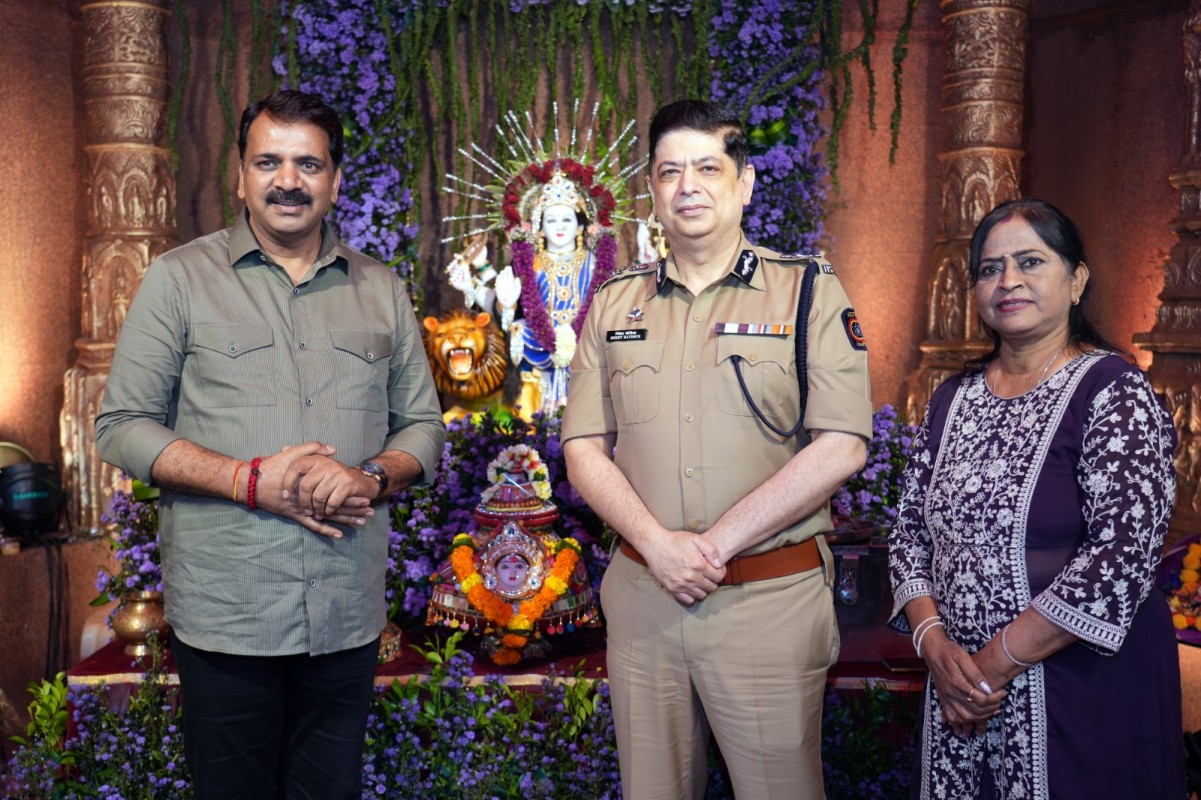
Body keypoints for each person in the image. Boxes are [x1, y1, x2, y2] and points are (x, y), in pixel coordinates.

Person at [95, 89, 446, 799]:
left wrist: (372, 475)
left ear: (335, 180)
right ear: (240, 177)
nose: (288, 180)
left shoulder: (380, 288)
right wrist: (247, 481)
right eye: (269, 162)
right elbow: (121, 424)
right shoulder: (179, 279)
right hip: (229, 614)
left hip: (344, 614)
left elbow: (423, 427)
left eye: (308, 164)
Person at [562, 99, 872, 798]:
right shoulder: (613, 301)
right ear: (651, 189)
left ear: (745, 182)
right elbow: (583, 446)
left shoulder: (806, 291)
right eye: (669, 171)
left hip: (767, 602)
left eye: (707, 168)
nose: (688, 187)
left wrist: (712, 547)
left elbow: (843, 445)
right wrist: (658, 547)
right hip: (644, 598)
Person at [888, 198, 1185, 799]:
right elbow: (907, 538)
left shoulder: (1114, 391)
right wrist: (935, 647)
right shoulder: (952, 398)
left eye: (1030, 261)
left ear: (1076, 280)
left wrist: (990, 667)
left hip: (1081, 691)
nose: (1008, 280)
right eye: (990, 268)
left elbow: (1119, 557)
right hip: (960, 691)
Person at [496, 178, 602, 415]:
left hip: (586, 347)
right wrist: (507, 306)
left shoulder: (594, 264)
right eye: (551, 220)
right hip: (537, 346)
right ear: (540, 228)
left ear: (580, 227)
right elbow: (513, 314)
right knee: (519, 330)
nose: (559, 227)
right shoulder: (528, 265)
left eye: (567, 220)